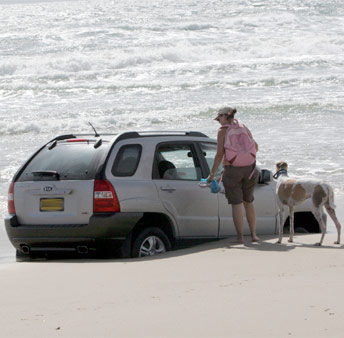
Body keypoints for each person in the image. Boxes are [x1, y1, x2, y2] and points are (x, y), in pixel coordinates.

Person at [207, 106, 260, 243]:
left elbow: (219, 154)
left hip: (233, 170)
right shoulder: (243, 127)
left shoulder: (223, 131)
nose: (218, 121)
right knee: (249, 202)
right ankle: (254, 235)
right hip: (250, 169)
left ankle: (240, 237)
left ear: (224, 116)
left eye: (219, 118)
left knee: (236, 204)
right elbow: (256, 147)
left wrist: (212, 174)